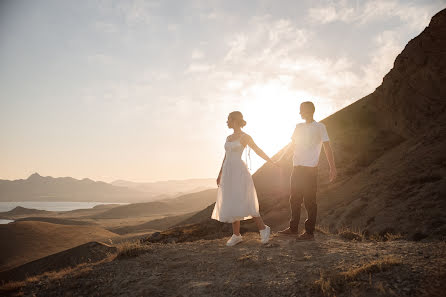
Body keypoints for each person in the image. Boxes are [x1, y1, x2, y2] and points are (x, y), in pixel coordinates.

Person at [211, 111, 279, 246]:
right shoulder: (228, 137)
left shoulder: (245, 137)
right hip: (228, 172)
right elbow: (226, 157)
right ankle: (236, 235)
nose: (227, 122)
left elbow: (257, 150)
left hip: (239, 171)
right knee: (231, 200)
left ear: (235, 120)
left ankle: (264, 229)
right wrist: (220, 174)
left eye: (228, 119)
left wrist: (271, 161)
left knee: (245, 199)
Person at [278, 101, 337, 240]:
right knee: (294, 199)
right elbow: (292, 146)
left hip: (310, 169)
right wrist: (281, 158)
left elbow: (327, 147)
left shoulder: (320, 127)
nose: (300, 113)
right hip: (296, 167)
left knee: (310, 201)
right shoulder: (298, 127)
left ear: (310, 110)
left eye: (302, 110)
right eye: (300, 110)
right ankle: (293, 229)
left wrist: (332, 167)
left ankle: (309, 233)